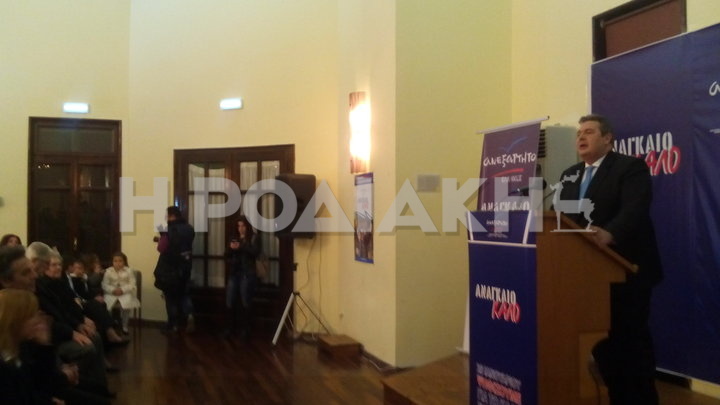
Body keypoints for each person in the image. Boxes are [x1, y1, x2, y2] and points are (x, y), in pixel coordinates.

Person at [556, 114, 662, 405]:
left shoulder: (629, 167)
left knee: (631, 346)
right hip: (587, 276)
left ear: (607, 139)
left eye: (589, 132)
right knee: (603, 346)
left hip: (626, 271)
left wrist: (609, 233)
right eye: (579, 133)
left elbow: (635, 209)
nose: (581, 137)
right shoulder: (569, 174)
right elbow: (562, 218)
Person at [153, 206, 195, 334]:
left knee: (170, 297)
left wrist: (162, 237)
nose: (166, 218)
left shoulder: (169, 230)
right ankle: (189, 315)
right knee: (184, 293)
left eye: (167, 216)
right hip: (185, 266)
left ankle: (173, 325)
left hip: (170, 269)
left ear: (172, 216)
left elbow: (161, 248)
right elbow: (183, 244)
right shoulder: (189, 228)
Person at [224, 216, 261, 338]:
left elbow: (255, 252)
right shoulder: (234, 237)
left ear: (247, 226)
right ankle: (230, 327)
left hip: (247, 272)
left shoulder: (253, 237)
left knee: (246, 300)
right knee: (230, 300)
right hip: (234, 272)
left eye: (243, 226)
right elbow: (226, 254)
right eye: (238, 226)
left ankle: (245, 329)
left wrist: (241, 246)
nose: (241, 229)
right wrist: (231, 249)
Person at [102, 252, 140, 334]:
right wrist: (113, 290)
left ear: (124, 262)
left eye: (120, 261)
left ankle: (124, 326)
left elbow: (132, 284)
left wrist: (122, 290)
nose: (118, 263)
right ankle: (110, 325)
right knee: (106, 304)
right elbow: (104, 284)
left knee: (127, 303)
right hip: (112, 293)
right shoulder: (108, 271)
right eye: (115, 261)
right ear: (112, 262)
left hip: (124, 293)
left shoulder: (129, 271)